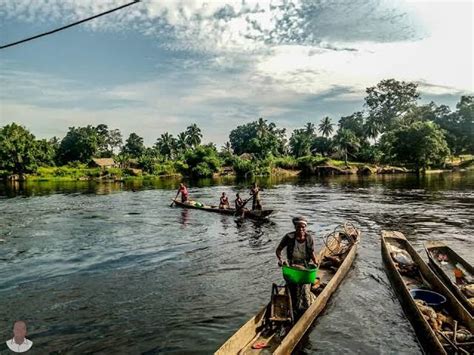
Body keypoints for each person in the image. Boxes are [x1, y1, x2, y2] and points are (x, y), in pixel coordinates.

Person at [276, 216, 318, 317]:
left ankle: (303, 311)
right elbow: (278, 250)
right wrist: (281, 260)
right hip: (292, 266)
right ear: (295, 227)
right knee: (292, 289)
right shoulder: (289, 237)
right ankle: (291, 310)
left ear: (305, 227)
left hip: (304, 266)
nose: (301, 229)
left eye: (303, 227)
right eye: (298, 227)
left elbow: (311, 253)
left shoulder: (309, 238)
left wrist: (316, 262)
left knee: (304, 290)